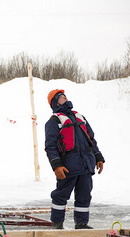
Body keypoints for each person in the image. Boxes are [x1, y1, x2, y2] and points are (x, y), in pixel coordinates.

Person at [44, 89, 105, 229]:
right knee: (60, 195)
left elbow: (91, 139)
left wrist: (98, 156)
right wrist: (56, 165)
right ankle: (57, 224)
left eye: (64, 95)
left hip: (86, 164)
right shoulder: (53, 121)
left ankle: (82, 224)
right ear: (55, 102)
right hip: (68, 166)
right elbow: (50, 146)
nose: (64, 97)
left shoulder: (80, 117)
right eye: (60, 96)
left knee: (84, 195)